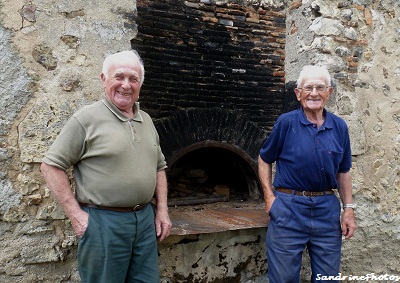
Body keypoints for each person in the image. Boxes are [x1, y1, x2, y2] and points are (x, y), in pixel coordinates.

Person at [41, 50, 172, 283]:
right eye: (119, 77)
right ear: (104, 79)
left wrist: (162, 210)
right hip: (103, 223)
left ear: (140, 84)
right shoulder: (86, 119)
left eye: (133, 79)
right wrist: (76, 215)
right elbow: (51, 166)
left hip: (144, 220)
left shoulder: (147, 120)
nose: (126, 85)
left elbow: (159, 166)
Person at [258, 65, 356, 283]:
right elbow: (264, 159)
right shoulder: (286, 122)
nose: (314, 93)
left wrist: (348, 209)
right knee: (283, 279)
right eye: (308, 88)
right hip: (288, 208)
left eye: (320, 87)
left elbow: (343, 171)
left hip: (326, 210)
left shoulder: (340, 127)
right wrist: (269, 197)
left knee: (328, 279)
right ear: (298, 93)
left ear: (329, 92)